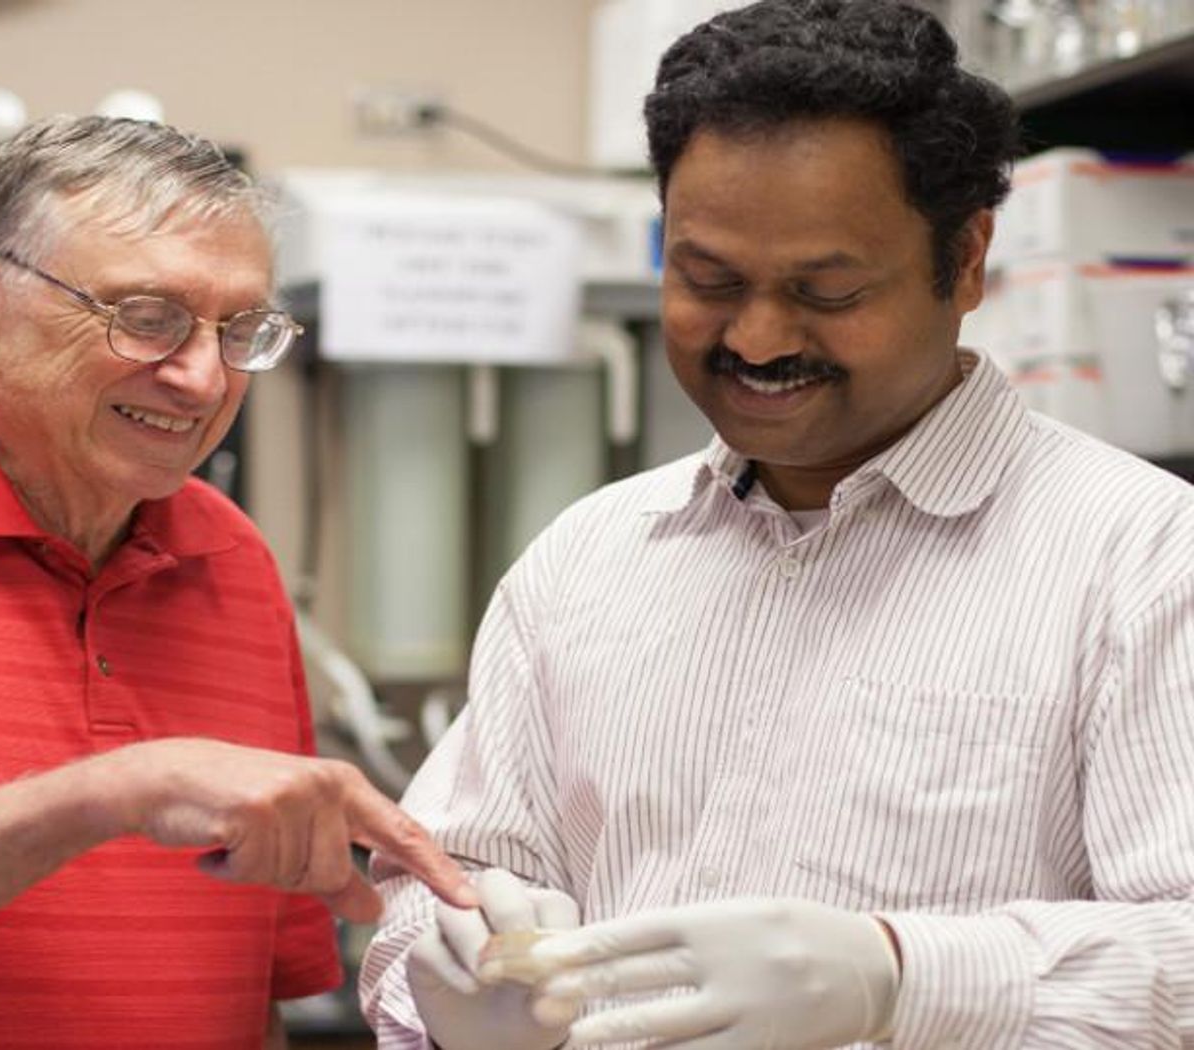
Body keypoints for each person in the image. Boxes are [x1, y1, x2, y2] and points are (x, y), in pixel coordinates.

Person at [359, 0, 1194, 1047]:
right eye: (706, 279)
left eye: (826, 289)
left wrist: (901, 977)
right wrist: (443, 976)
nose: (755, 336)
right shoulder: (586, 560)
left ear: (966, 260)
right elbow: (434, 881)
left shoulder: (1146, 560)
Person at [0, 115, 476, 1050]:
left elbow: (253, 1005)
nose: (202, 380)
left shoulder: (230, 557)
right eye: (146, 318)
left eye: (242, 331)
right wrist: (112, 791)